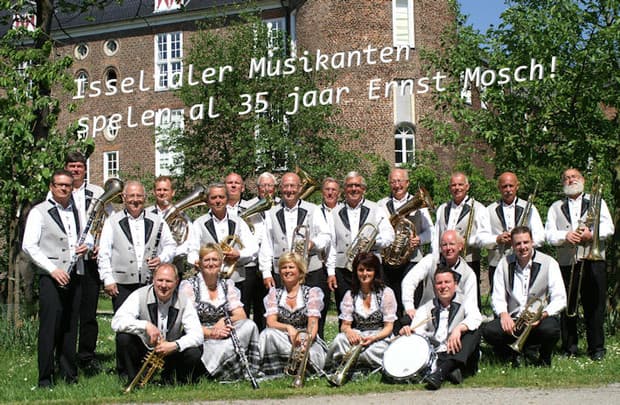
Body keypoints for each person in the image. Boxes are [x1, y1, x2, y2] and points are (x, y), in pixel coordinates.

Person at [22, 169, 91, 387]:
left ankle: (69, 374)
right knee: (49, 327)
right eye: (60, 185)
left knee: (71, 327)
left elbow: (87, 238)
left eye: (68, 185)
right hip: (51, 278)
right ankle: (45, 378)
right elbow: (29, 246)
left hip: (75, 275)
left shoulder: (78, 210)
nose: (64, 188)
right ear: (52, 186)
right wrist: (53, 269)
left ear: (72, 187)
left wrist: (86, 247)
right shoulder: (39, 211)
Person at [545, 168, 614, 360]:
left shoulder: (597, 201)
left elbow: (609, 227)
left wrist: (592, 235)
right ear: (563, 183)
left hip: (593, 261)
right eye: (566, 178)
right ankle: (570, 348)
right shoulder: (555, 207)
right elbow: (548, 234)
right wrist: (565, 236)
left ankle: (597, 349)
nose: (570, 180)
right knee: (568, 307)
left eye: (574, 177)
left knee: (595, 306)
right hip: (567, 263)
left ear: (582, 180)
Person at [259, 172, 332, 337]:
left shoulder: (313, 209)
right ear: (280, 189)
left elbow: (326, 236)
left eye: (293, 186)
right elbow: (266, 243)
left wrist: (313, 243)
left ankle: (313, 351)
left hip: (311, 269)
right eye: (286, 186)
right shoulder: (271, 212)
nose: (289, 190)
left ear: (300, 188)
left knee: (314, 317)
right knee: (281, 315)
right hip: (282, 272)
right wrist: (265, 272)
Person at [482, 226, 566, 367]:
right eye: (518, 244)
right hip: (514, 320)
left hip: (537, 321)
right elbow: (497, 295)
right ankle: (509, 355)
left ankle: (544, 358)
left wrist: (543, 314)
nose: (522, 247)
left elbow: (560, 298)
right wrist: (503, 315)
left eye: (526, 242)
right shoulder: (504, 263)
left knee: (552, 329)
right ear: (513, 246)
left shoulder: (549, 263)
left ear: (532, 242)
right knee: (489, 331)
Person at [111, 263, 204, 383]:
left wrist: (175, 345)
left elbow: (198, 335)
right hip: (145, 350)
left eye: (168, 281)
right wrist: (145, 325)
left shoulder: (184, 300)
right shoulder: (139, 295)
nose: (163, 285)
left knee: (193, 351)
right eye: (160, 280)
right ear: (153, 280)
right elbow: (117, 322)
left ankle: (176, 380)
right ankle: (131, 377)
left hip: (171, 351)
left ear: (176, 282)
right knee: (124, 338)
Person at [180, 244, 260, 381]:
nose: (211, 264)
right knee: (224, 344)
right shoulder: (189, 286)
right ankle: (220, 370)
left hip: (224, 332)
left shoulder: (227, 285)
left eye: (215, 260)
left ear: (221, 263)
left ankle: (248, 368)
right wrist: (211, 332)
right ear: (199, 263)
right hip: (201, 335)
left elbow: (241, 315)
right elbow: (185, 322)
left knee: (249, 325)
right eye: (207, 260)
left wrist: (224, 321)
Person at [98, 180, 177, 311]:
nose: (135, 200)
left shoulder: (158, 220)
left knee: (150, 324)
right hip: (121, 284)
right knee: (123, 327)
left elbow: (170, 245)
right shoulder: (112, 221)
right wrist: (107, 279)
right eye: (131, 196)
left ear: (145, 198)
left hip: (150, 283)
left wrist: (161, 259)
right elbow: (104, 253)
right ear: (124, 197)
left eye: (139, 196)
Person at [404, 265, 482, 390]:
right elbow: (417, 330)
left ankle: (441, 373)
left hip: (459, 351)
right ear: (435, 287)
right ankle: (450, 371)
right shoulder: (427, 306)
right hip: (439, 353)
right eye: (439, 283)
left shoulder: (466, 301)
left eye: (447, 282)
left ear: (455, 285)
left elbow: (476, 318)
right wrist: (409, 331)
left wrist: (459, 329)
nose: (443, 286)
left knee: (475, 332)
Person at [328, 171, 395, 317]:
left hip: (370, 269)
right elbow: (332, 244)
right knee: (344, 311)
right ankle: (346, 338)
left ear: (363, 189)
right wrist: (331, 272)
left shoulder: (376, 208)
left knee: (373, 308)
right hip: (343, 270)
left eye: (357, 185)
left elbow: (389, 236)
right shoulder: (334, 212)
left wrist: (372, 243)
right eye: (350, 185)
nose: (354, 189)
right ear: (344, 189)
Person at [63, 151, 106, 372]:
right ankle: (65, 355)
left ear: (85, 169)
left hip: (90, 260)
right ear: (66, 168)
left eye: (79, 166)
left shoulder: (97, 192)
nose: (76, 170)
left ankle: (87, 357)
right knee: (69, 310)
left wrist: (99, 243)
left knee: (89, 312)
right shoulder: (60, 191)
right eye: (71, 166)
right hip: (66, 261)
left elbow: (106, 220)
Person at [186, 183, 258, 312]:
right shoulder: (199, 223)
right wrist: (195, 261)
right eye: (214, 198)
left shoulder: (239, 222)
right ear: (208, 201)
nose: (218, 201)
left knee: (238, 317)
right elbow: (192, 250)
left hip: (235, 278)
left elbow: (253, 247)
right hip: (209, 281)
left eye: (221, 197)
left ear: (227, 199)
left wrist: (238, 254)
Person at [325, 252, 396, 374]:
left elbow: (389, 327)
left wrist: (373, 338)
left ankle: (354, 363)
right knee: (339, 340)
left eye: (369, 270)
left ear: (375, 272)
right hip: (359, 336)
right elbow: (345, 325)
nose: (364, 274)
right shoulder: (350, 295)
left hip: (379, 337)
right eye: (361, 270)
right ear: (356, 272)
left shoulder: (386, 293)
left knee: (380, 349)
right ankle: (363, 364)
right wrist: (349, 332)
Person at [259, 252, 327, 376]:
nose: (287, 271)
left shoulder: (312, 293)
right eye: (284, 268)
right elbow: (271, 322)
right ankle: (274, 370)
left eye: (291, 267)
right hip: (285, 338)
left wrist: (305, 342)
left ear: (300, 271)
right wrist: (288, 328)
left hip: (305, 338)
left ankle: (301, 366)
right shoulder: (274, 294)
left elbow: (312, 324)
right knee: (267, 334)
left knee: (309, 354)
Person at [377, 168, 433, 317]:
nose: (397, 185)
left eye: (400, 181)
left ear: (407, 183)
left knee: (412, 300)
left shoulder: (419, 206)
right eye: (393, 181)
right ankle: (392, 333)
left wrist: (420, 239)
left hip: (412, 259)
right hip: (389, 262)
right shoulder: (381, 205)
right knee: (390, 301)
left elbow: (431, 231)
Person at [433, 172, 493, 307]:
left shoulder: (478, 208)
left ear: (467, 187)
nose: (457, 188)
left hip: (469, 260)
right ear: (450, 188)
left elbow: (485, 235)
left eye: (460, 184)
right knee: (445, 295)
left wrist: (468, 241)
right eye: (453, 185)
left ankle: (471, 325)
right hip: (445, 260)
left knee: (469, 296)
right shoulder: (443, 208)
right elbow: (436, 235)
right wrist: (436, 258)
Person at [400, 230, 477, 328]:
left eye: (452, 244)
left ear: (460, 246)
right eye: (444, 245)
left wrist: (463, 326)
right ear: (440, 247)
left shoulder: (469, 273)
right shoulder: (431, 260)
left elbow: (471, 304)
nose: (448, 248)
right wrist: (409, 307)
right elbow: (409, 281)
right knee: (405, 322)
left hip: (455, 319)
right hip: (429, 315)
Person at [487, 172, 544, 293]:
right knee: (498, 301)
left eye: (511, 186)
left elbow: (540, 237)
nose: (508, 189)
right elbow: (480, 238)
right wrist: (497, 239)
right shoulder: (489, 210)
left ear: (517, 186)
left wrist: (521, 243)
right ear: (499, 188)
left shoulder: (530, 207)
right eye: (504, 186)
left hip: (524, 263)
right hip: (497, 263)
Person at [240, 171, 279, 330]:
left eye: (270, 185)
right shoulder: (247, 206)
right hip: (251, 264)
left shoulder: (280, 206)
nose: (266, 189)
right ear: (257, 188)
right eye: (263, 185)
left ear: (275, 188)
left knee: (269, 307)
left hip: (274, 263)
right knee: (249, 304)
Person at [146, 175, 192, 274]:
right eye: (159, 190)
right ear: (154, 192)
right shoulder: (146, 214)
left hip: (174, 267)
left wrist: (166, 255)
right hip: (149, 266)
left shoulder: (182, 216)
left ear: (173, 192)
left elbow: (188, 243)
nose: (162, 193)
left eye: (165, 190)